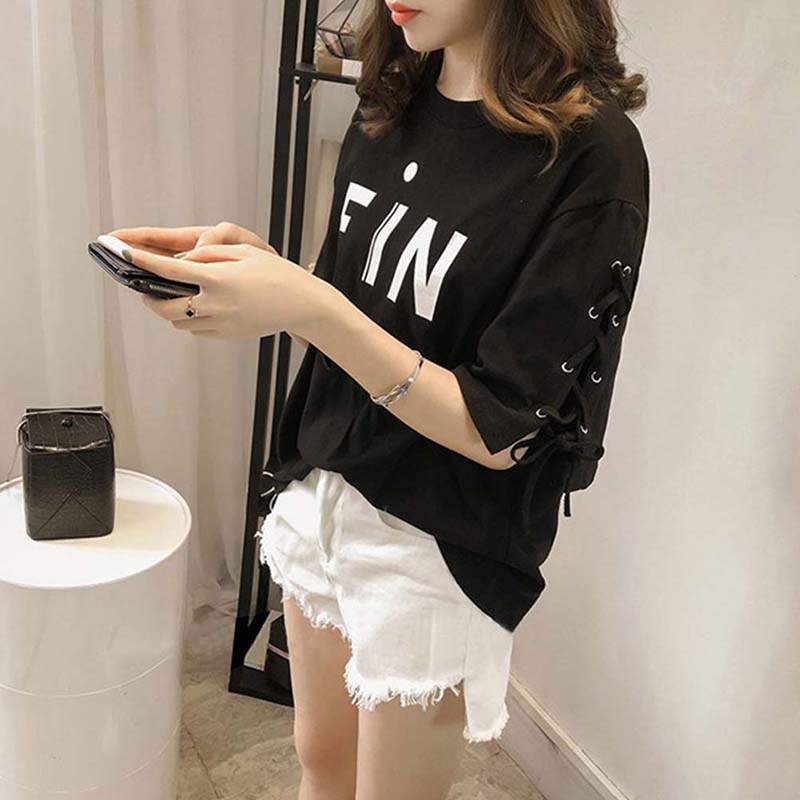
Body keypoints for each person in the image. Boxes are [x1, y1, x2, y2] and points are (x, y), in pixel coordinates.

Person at [110, 0, 650, 797]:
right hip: (326, 483)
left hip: (436, 537)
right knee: (321, 760)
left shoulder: (588, 156)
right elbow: (364, 309)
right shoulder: (396, 92)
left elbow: (499, 428)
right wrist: (263, 274)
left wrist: (306, 306)